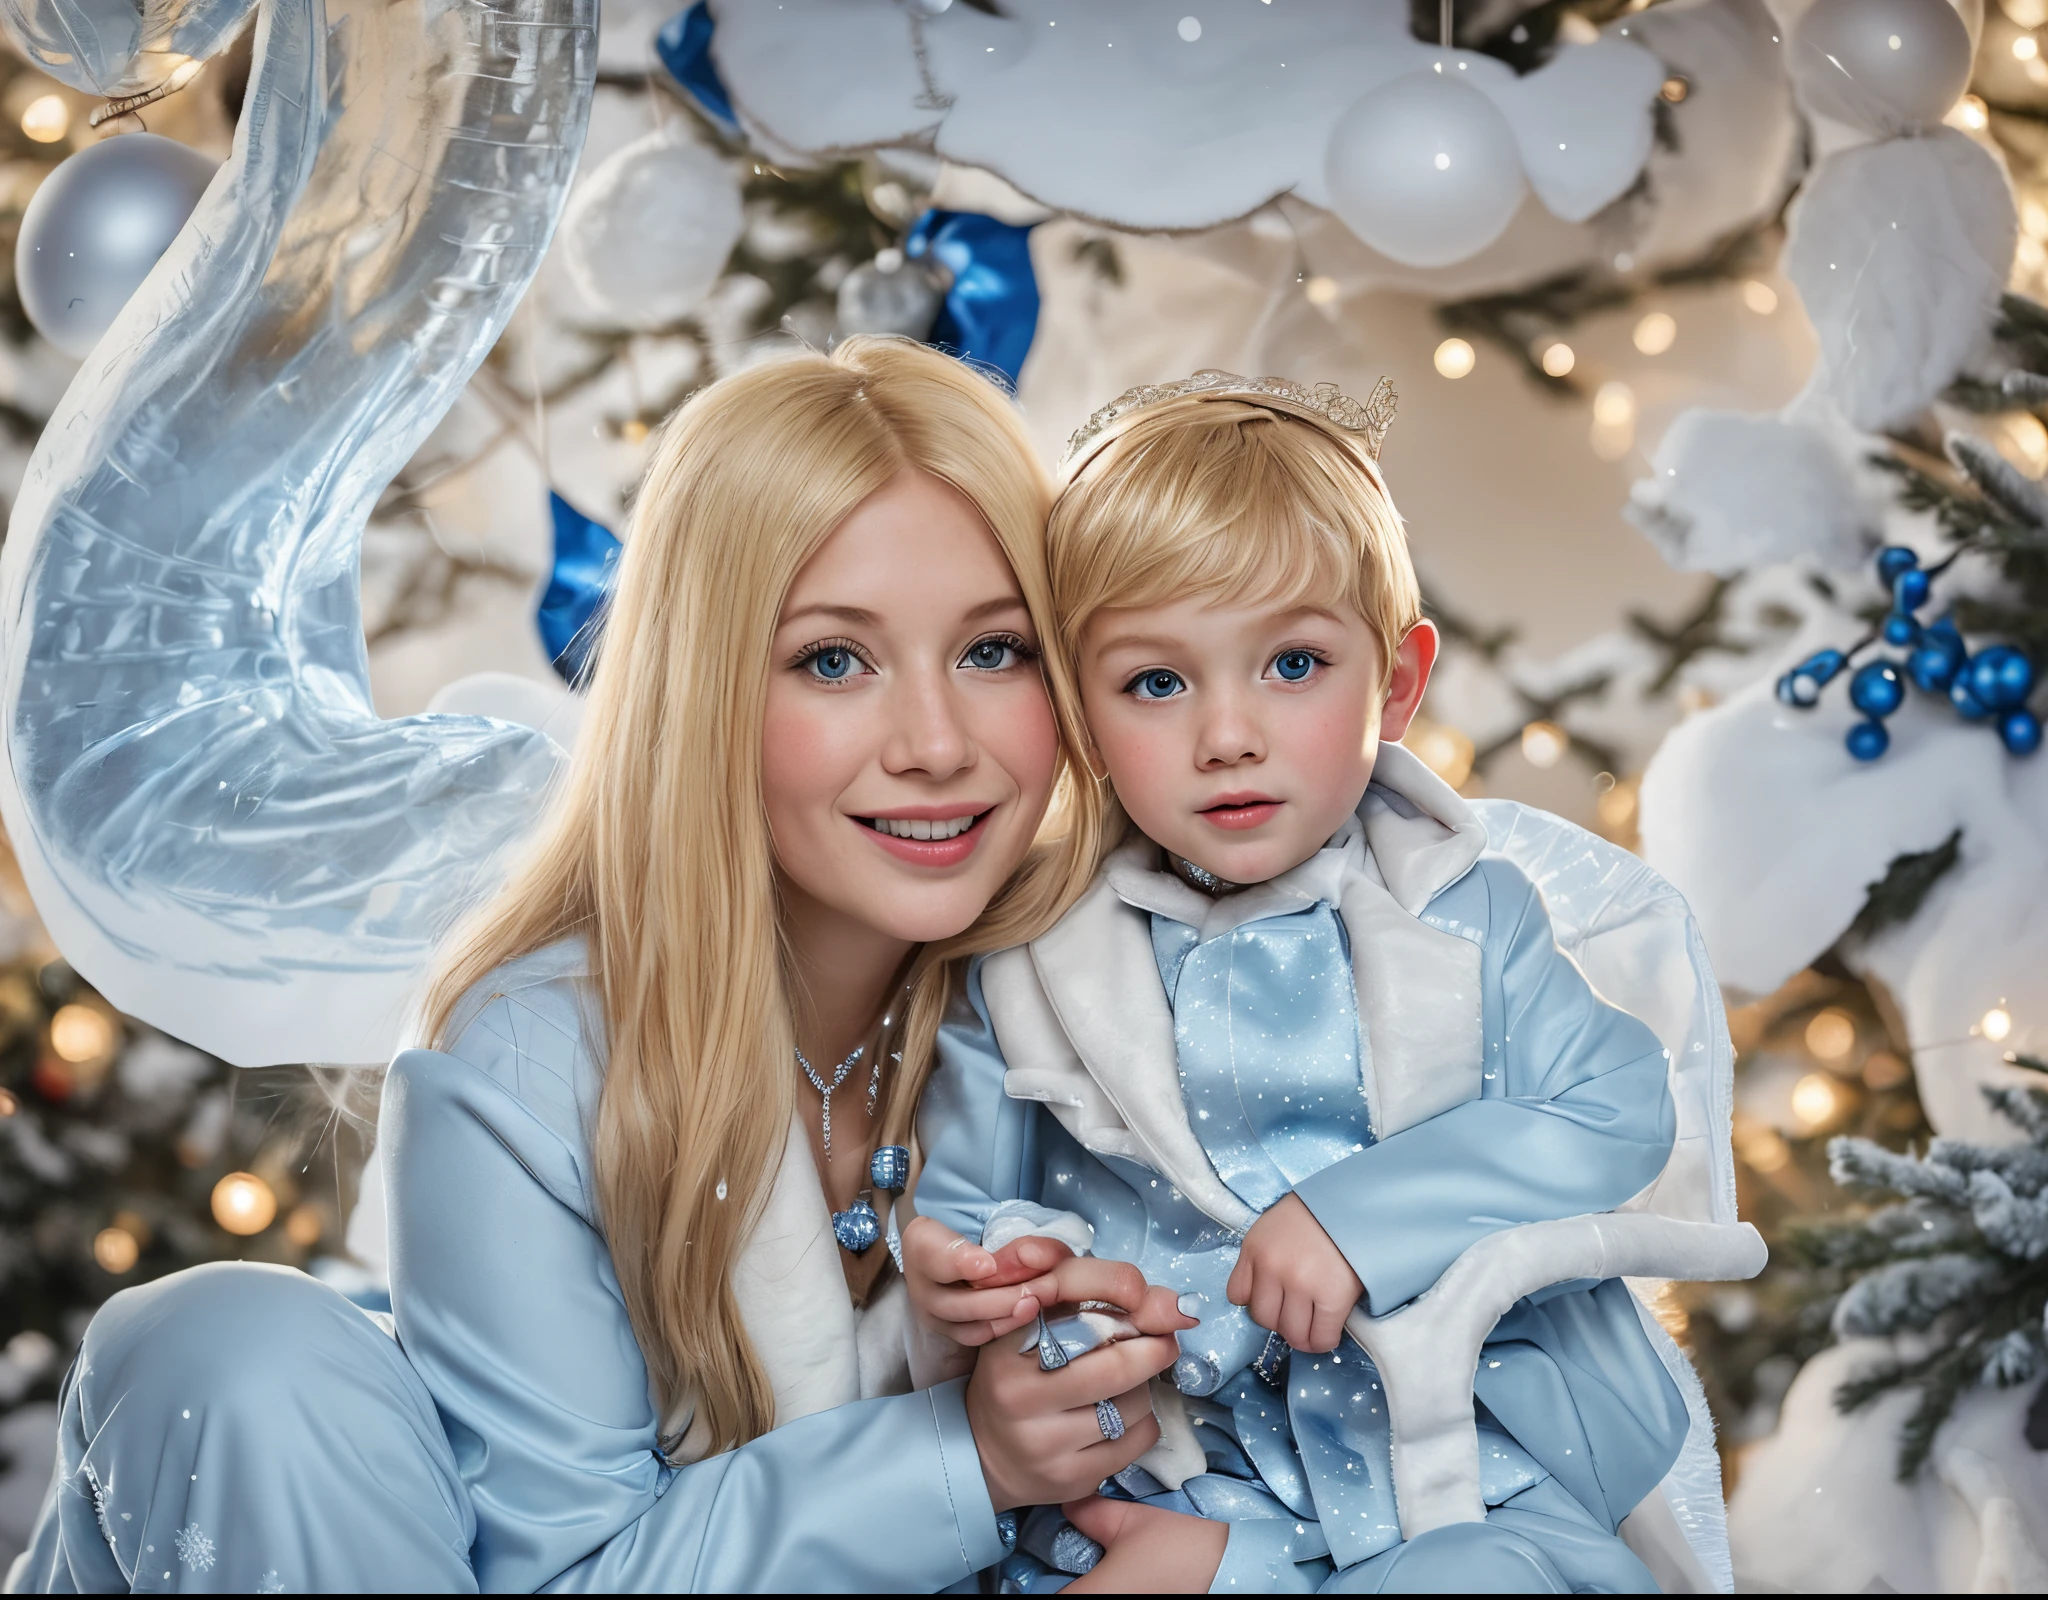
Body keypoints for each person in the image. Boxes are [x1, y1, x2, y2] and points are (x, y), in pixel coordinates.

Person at [10, 339, 1197, 1594]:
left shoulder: (1109, 992)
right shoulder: (530, 1051)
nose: (934, 744)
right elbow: (562, 1575)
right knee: (221, 1345)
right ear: (706, 692)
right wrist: (960, 1454)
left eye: (993, 650)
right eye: (832, 659)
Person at [905, 371, 1692, 1592]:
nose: (1227, 733)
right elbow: (966, 1203)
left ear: (1393, 683)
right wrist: (1013, 1268)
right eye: (1155, 683)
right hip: (1178, 1475)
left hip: (1461, 1468)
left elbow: (1615, 1105)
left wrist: (1361, 1214)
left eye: (1291, 665)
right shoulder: (1030, 954)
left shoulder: (1467, 914)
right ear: (1079, 718)